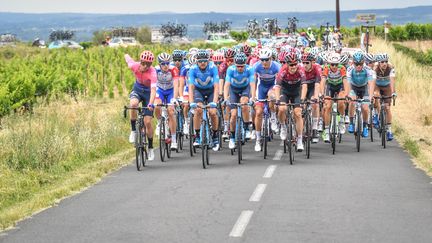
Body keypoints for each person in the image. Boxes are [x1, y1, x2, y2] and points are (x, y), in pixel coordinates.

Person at [125, 50, 157, 161]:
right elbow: (128, 60)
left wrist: (151, 103)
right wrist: (126, 54)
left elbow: (153, 90)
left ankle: (151, 148)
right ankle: (134, 131)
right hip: (138, 89)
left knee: (147, 122)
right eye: (143, 63)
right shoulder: (134, 66)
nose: (145, 66)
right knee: (133, 104)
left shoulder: (153, 73)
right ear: (141, 61)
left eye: (148, 64)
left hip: (148, 93)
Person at [188, 49, 220, 151]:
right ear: (197, 61)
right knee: (198, 110)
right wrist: (191, 102)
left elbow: (216, 86)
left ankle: (215, 135)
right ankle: (197, 136)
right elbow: (191, 87)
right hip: (199, 91)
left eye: (205, 61)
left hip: (210, 91)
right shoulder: (193, 69)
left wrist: (214, 102)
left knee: (213, 112)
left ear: (208, 61)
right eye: (200, 61)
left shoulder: (213, 67)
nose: (202, 63)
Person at [275, 52, 306, 152]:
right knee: (282, 108)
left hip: (296, 93)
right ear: (287, 64)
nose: (293, 67)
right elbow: (277, 87)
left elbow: (304, 86)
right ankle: (283, 126)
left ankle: (300, 139)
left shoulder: (301, 70)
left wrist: (302, 99)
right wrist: (277, 100)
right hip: (285, 92)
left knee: (298, 113)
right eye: (291, 65)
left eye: (295, 64)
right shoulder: (283, 71)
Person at [224, 53, 256, 149]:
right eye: (238, 66)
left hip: (245, 89)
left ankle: (246, 129)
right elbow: (226, 85)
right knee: (233, 115)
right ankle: (232, 137)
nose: (240, 68)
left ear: (245, 64)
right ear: (235, 65)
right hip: (233, 90)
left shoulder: (250, 69)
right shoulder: (231, 69)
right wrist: (226, 99)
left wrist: (253, 98)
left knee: (244, 104)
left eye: (242, 66)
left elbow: (252, 85)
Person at [253, 48, 281, 152]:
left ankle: (273, 117)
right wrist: (253, 96)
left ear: (271, 58)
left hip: (271, 87)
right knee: (259, 112)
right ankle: (258, 138)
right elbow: (253, 81)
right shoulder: (256, 66)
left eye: (266, 60)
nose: (264, 62)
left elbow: (279, 82)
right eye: (262, 60)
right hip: (261, 88)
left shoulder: (276, 66)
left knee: (272, 96)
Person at [151, 52, 180, 151]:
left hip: (170, 91)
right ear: (159, 64)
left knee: (171, 111)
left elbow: (176, 85)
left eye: (167, 63)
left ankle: (174, 140)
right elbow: (153, 86)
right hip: (160, 90)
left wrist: (174, 98)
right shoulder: (155, 70)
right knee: (157, 105)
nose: (166, 66)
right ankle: (159, 122)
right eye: (163, 64)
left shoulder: (173, 69)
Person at [320, 52, 349, 142]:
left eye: (336, 64)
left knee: (341, 101)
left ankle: (341, 120)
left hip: (340, 86)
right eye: (332, 64)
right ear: (329, 64)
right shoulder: (326, 68)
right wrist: (321, 94)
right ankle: (327, 131)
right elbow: (323, 81)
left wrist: (346, 94)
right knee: (328, 106)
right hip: (330, 87)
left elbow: (345, 82)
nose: (334, 67)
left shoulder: (342, 68)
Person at [347, 51, 375, 137]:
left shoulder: (368, 69)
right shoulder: (350, 69)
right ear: (353, 63)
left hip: (364, 88)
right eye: (356, 64)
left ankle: (365, 125)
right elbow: (348, 84)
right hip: (353, 87)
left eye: (360, 64)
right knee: (352, 101)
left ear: (363, 63)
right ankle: (351, 123)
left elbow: (370, 84)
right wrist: (348, 94)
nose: (358, 66)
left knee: (365, 108)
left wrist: (370, 96)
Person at [373, 53, 396, 141]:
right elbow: (373, 81)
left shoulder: (390, 68)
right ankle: (376, 114)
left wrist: (393, 92)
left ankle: (389, 131)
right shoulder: (375, 68)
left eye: (386, 61)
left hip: (387, 87)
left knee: (387, 108)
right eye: (382, 62)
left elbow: (392, 81)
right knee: (376, 95)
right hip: (377, 86)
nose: (384, 64)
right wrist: (373, 93)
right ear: (378, 63)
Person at [300, 52, 322, 143]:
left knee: (315, 104)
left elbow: (317, 84)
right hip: (302, 87)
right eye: (303, 62)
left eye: (307, 63)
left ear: (312, 62)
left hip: (313, 87)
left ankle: (314, 129)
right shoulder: (300, 69)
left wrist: (316, 97)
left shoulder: (317, 68)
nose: (305, 65)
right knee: (301, 108)